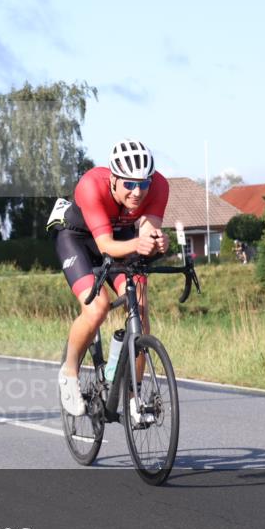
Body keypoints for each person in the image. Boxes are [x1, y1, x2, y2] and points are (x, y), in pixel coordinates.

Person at [48, 139, 170, 420]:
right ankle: (69, 373)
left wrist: (157, 241)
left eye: (143, 184)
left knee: (138, 300)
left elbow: (148, 233)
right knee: (97, 306)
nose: (137, 192)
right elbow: (105, 247)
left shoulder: (159, 186)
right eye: (128, 184)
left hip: (119, 236)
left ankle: (133, 397)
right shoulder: (91, 185)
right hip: (77, 238)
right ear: (114, 179)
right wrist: (140, 243)